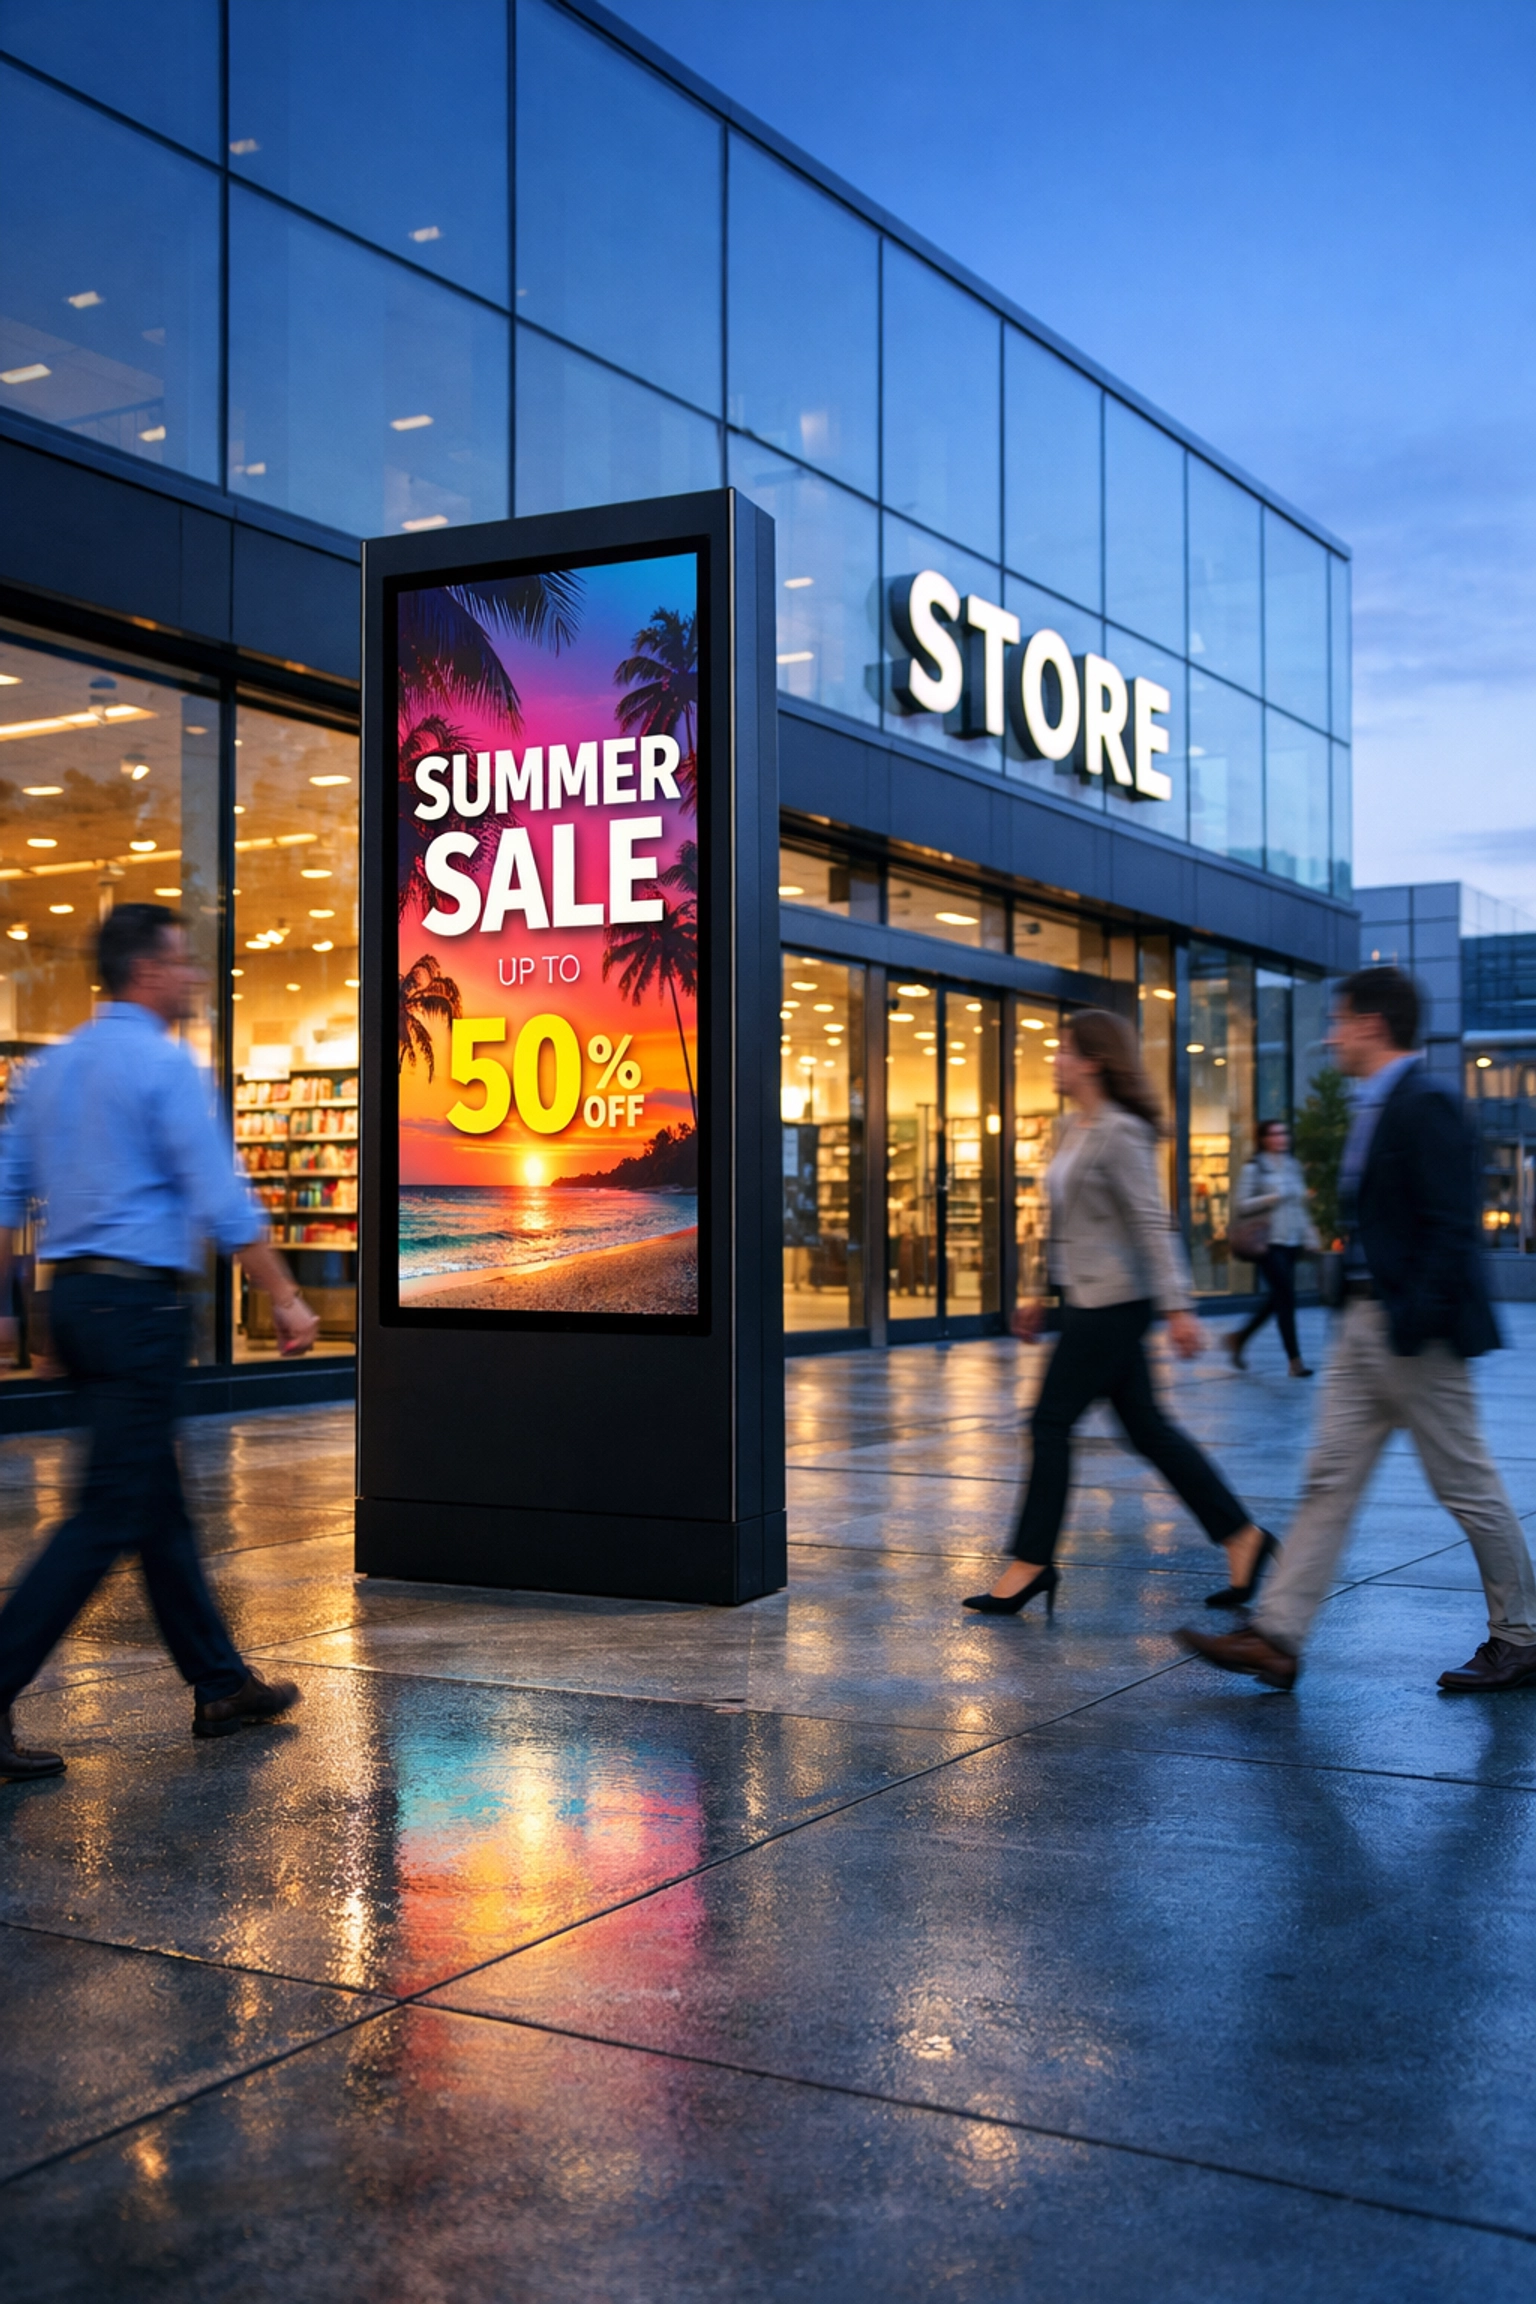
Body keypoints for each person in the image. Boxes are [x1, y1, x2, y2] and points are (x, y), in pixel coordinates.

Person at [0, 905, 321, 1781]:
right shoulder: (164, 1067)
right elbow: (221, 1198)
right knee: (110, 1510)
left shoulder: (49, 1071)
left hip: (76, 1297)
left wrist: (23, 1314)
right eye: (181, 965)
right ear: (146, 971)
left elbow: (8, 1196)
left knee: (156, 1502)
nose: (191, 980)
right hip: (139, 1307)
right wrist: (285, 1299)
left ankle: (219, 1684)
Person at [1177, 966, 1536, 1693]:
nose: (1332, 1034)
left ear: (1372, 1024)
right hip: (1365, 1325)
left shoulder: (1426, 1100)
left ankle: (1521, 1636)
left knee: (1465, 1485)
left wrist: (1414, 1324)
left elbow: (1450, 1227)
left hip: (1412, 1334)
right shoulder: (1375, 1104)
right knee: (1328, 1480)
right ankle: (1277, 1636)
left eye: (1340, 1021)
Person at [965, 1009, 1275, 1619]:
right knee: (1148, 1430)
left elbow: (1151, 1224)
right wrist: (1035, 1291)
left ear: (1094, 1060)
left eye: (1063, 1051)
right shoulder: (1070, 1127)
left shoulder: (1123, 1132)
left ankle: (1031, 1562)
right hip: (1083, 1297)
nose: (1053, 1059)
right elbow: (1058, 1222)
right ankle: (1243, 1537)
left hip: (1114, 1304)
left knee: (1050, 1423)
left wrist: (1179, 1308)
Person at [1225, 1119, 1319, 1379]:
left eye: (1283, 1133)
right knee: (1286, 1296)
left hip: (1291, 1241)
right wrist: (1270, 1198)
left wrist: (1309, 1232)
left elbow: (1300, 1205)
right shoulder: (1254, 1168)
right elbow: (1241, 1205)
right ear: (1264, 1139)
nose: (1281, 1138)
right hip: (1267, 1243)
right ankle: (1295, 1361)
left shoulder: (1292, 1166)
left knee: (1279, 1296)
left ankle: (1239, 1337)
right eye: (1275, 1134)